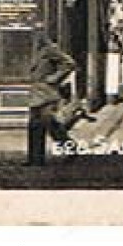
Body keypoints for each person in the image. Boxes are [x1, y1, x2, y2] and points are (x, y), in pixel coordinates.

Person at [26, 25, 76, 163]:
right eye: (35, 33)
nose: (36, 37)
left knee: (50, 126)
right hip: (37, 94)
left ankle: (70, 148)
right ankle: (35, 159)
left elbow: (70, 63)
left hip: (47, 94)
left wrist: (55, 78)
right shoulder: (35, 51)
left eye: (39, 33)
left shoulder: (50, 50)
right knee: (34, 126)